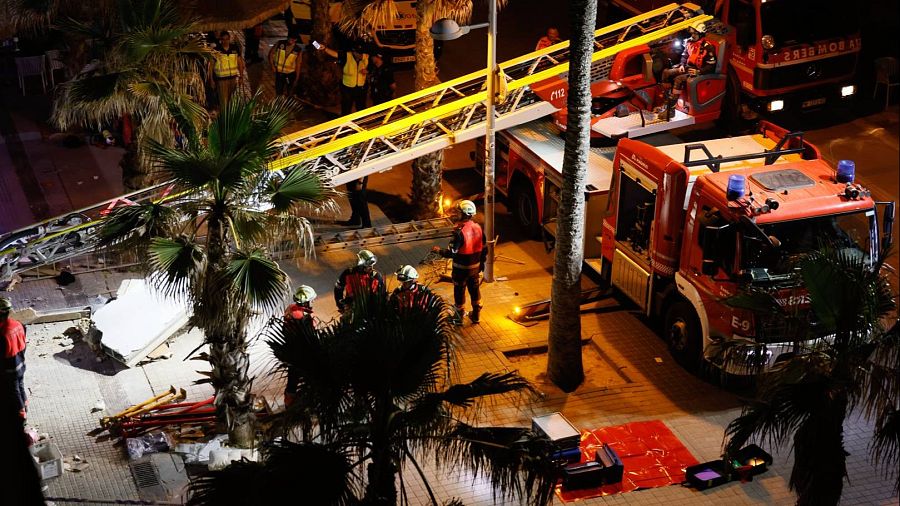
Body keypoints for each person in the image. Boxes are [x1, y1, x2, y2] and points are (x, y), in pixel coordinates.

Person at [432, 200, 486, 324]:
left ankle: (458, 317)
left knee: (459, 291)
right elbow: (484, 248)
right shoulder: (478, 228)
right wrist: (481, 264)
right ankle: (476, 315)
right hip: (475, 268)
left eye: (459, 212)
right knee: (474, 290)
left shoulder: (459, 232)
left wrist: (439, 251)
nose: (457, 214)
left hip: (461, 269)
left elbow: (452, 252)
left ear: (464, 214)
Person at [658, 20, 717, 120]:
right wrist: (681, 64)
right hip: (688, 68)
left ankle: (671, 110)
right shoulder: (689, 42)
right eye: (692, 33)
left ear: (700, 33)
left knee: (679, 79)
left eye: (695, 33)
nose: (692, 35)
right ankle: (666, 103)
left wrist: (699, 72)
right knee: (666, 73)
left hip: (698, 71)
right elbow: (685, 56)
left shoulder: (708, 47)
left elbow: (711, 66)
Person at [282, 285, 316, 407]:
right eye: (311, 300)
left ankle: (288, 403)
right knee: (307, 379)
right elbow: (310, 337)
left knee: (292, 380)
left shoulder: (290, 309)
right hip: (302, 353)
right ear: (306, 302)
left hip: (290, 351)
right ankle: (306, 405)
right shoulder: (303, 316)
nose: (313, 301)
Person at [321, 42, 369, 115]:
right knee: (346, 107)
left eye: (361, 53)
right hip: (347, 87)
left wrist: (368, 71)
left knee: (361, 107)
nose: (360, 55)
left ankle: (362, 123)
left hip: (361, 87)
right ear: (354, 52)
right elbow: (335, 54)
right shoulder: (347, 55)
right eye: (358, 53)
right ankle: (345, 123)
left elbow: (372, 66)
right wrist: (325, 48)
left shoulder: (366, 56)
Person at [1, 297, 27, 423]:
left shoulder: (2, 332)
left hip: (10, 368)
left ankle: (21, 415)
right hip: (21, 363)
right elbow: (23, 344)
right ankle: (25, 405)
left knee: (14, 390)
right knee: (20, 386)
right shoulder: (18, 324)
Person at [209, 31, 245, 111]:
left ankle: (230, 116)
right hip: (221, 80)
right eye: (223, 39)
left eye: (227, 39)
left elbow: (240, 63)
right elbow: (211, 65)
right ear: (220, 40)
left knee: (231, 99)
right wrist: (211, 80)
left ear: (229, 39)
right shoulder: (216, 50)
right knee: (223, 101)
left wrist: (241, 77)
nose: (225, 41)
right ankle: (224, 117)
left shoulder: (234, 49)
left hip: (232, 79)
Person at [269, 33, 304, 97]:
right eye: (289, 38)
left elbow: (298, 64)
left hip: (290, 74)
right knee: (278, 92)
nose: (291, 40)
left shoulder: (298, 49)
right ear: (287, 37)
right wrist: (272, 66)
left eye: (293, 39)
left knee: (289, 92)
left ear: (296, 40)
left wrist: (297, 77)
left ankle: (287, 104)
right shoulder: (280, 43)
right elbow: (271, 54)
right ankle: (279, 105)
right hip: (279, 73)